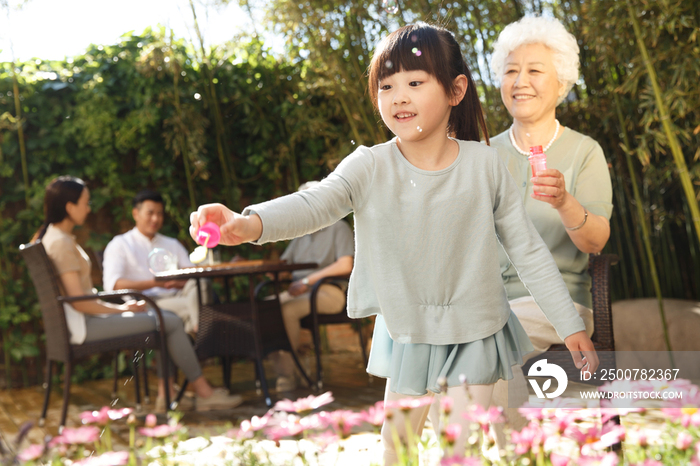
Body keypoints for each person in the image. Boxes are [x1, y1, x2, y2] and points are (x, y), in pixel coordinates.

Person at [189, 23, 599, 464]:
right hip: (408, 332)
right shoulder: (369, 165)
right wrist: (248, 223)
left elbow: (527, 249)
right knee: (395, 449)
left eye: (415, 82)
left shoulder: (485, 164)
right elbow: (315, 204)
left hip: (476, 331)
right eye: (387, 85)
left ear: (455, 90)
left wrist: (568, 324)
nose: (399, 96)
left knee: (459, 450)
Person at [487, 15, 613, 438]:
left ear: (561, 83)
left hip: (556, 300)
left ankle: (510, 450)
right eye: (510, 71)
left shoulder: (583, 152)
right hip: (487, 299)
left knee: (491, 346)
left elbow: (596, 239)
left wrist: (563, 201)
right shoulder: (482, 154)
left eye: (534, 70)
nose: (520, 81)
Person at [33, 176, 243, 412]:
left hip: (86, 319)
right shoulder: (61, 243)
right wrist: (122, 309)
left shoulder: (54, 237)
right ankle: (203, 392)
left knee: (167, 320)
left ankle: (170, 393)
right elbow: (79, 303)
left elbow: (78, 299)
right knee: (168, 321)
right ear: (69, 206)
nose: (89, 208)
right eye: (85, 203)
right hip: (85, 324)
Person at [269, 181, 355, 392]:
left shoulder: (338, 227)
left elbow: (346, 265)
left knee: (288, 310)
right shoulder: (301, 233)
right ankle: (288, 369)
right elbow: (284, 265)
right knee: (264, 309)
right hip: (302, 291)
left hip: (330, 291)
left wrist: (308, 281)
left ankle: (287, 375)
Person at [102, 190, 200, 335]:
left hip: (180, 294)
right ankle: (198, 328)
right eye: (150, 213)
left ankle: (196, 329)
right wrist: (156, 283)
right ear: (136, 214)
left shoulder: (171, 243)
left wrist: (174, 283)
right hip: (147, 302)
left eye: (160, 214)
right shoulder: (120, 244)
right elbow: (114, 285)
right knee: (202, 308)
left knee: (200, 283)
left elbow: (192, 274)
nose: (155, 219)